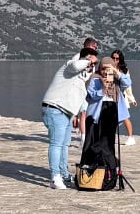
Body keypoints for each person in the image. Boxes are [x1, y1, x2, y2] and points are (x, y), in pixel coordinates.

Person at [41, 40, 99, 189]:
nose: (91, 65)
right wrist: (87, 60)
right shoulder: (70, 66)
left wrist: (77, 115)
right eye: (89, 61)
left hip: (66, 112)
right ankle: (55, 177)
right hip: (54, 108)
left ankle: (64, 174)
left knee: (65, 145)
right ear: (83, 58)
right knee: (57, 144)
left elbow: (81, 98)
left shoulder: (79, 79)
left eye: (93, 64)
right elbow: (76, 64)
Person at [79, 56, 132, 190]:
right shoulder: (94, 79)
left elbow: (128, 83)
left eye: (107, 69)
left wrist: (115, 71)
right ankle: (90, 172)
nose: (105, 72)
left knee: (108, 145)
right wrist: (103, 87)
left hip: (111, 114)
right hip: (96, 116)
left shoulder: (117, 79)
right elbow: (91, 95)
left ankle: (108, 174)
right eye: (103, 68)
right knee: (93, 144)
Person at [111, 50, 137, 146]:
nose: (115, 60)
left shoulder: (124, 70)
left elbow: (128, 85)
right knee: (112, 117)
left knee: (125, 117)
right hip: (111, 96)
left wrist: (132, 99)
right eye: (113, 58)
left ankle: (131, 137)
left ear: (120, 59)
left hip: (122, 96)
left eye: (117, 58)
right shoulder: (109, 67)